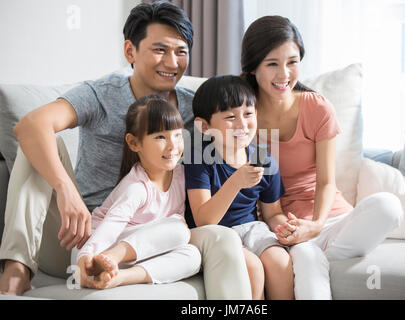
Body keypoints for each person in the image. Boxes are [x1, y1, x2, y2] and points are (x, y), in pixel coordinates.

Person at [0, 2, 251, 298]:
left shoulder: (195, 107)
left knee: (216, 238)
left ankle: (123, 276)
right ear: (130, 51)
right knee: (41, 140)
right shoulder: (100, 94)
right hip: (81, 231)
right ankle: (16, 270)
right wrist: (66, 189)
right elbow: (30, 125)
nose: (172, 63)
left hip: (153, 237)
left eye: (181, 52)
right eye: (160, 50)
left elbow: (249, 119)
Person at [240, 15, 404, 300]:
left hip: (331, 219)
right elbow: (261, 197)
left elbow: (327, 181)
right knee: (305, 254)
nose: (284, 74)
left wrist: (315, 225)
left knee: (388, 206)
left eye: (292, 62)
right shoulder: (242, 116)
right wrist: (290, 230)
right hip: (288, 227)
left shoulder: (317, 108)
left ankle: (320, 244)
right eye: (272, 64)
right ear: (253, 67)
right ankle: (317, 247)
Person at [184, 75, 294, 300]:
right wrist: (235, 182)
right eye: (231, 117)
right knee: (252, 267)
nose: (242, 124)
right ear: (204, 126)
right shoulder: (198, 159)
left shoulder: (264, 159)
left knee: (280, 261)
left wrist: (285, 228)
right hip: (215, 236)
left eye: (248, 114)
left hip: (252, 228)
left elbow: (272, 213)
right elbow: (204, 220)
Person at [74, 95, 201, 289]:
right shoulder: (137, 187)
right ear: (134, 143)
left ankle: (120, 277)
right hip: (98, 247)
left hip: (135, 254)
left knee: (192, 256)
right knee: (179, 230)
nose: (173, 145)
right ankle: (109, 261)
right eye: (160, 137)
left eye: (177, 135)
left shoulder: (182, 175)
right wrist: (87, 257)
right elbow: (111, 227)